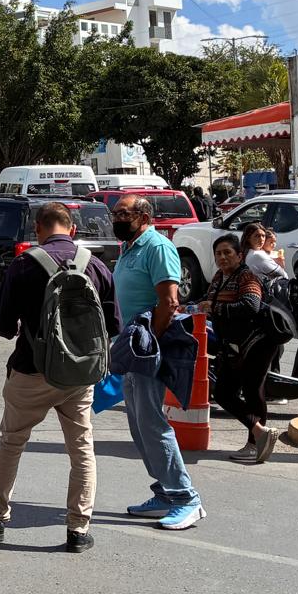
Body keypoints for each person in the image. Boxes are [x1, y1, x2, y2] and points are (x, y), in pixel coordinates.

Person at [0, 202, 120, 553]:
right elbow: (113, 325)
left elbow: (2, 326)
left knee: (11, 442)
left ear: (38, 229)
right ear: (72, 229)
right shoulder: (96, 266)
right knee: (81, 449)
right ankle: (78, 529)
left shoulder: (24, 265)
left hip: (31, 370)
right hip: (79, 375)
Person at [111, 194, 205, 530]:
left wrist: (150, 341)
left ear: (144, 216)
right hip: (131, 347)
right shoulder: (129, 247)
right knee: (139, 426)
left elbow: (169, 302)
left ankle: (186, 497)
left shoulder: (157, 247)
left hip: (147, 348)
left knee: (152, 424)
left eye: (123, 213)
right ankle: (165, 491)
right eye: (115, 213)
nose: (116, 219)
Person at [197, 234, 280, 463]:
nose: (223, 257)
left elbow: (251, 305)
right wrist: (190, 306)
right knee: (223, 393)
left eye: (228, 252)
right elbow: (208, 299)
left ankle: (255, 445)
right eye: (218, 253)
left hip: (258, 342)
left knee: (253, 391)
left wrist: (215, 308)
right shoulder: (219, 277)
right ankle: (260, 433)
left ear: (239, 256)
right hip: (234, 345)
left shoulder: (246, 276)